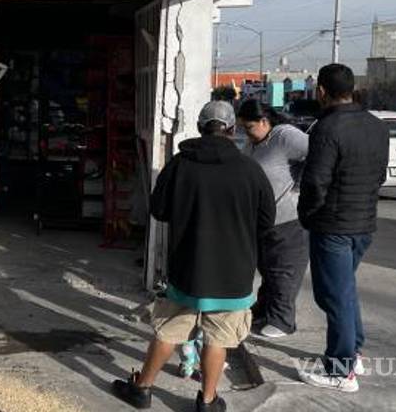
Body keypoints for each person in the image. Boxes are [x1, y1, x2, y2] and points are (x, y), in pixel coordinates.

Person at [113, 101, 275, 412]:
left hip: (188, 268)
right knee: (218, 338)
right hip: (234, 272)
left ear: (201, 128)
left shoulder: (179, 165)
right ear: (231, 130)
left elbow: (158, 210)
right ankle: (208, 400)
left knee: (170, 330)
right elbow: (266, 221)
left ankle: (142, 389)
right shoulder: (249, 169)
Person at [297, 64, 389, 392]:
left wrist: (308, 215)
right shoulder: (377, 126)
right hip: (364, 223)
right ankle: (354, 352)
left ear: (321, 91)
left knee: (333, 296)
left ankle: (340, 370)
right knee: (345, 291)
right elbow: (381, 175)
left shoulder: (327, 128)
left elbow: (315, 182)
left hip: (333, 225)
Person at [237, 99, 309, 339]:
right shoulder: (254, 143)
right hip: (262, 220)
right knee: (267, 269)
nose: (245, 133)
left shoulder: (284, 136)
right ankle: (265, 311)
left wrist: (299, 186)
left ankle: (282, 320)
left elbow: (319, 155)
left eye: (248, 127)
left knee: (284, 270)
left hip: (287, 218)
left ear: (264, 121)